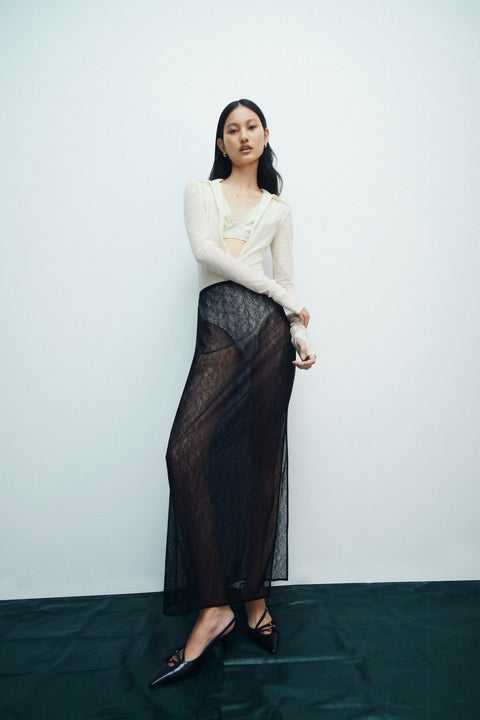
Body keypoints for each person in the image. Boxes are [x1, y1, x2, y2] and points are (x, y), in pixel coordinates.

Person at [149, 99, 316, 688]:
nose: (243, 136)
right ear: (221, 143)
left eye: (251, 127)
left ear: (265, 135)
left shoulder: (278, 209)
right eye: (232, 130)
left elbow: (288, 280)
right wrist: (283, 295)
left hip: (269, 336)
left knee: (261, 464)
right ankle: (215, 603)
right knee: (184, 454)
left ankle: (254, 595)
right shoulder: (202, 192)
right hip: (221, 324)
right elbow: (207, 253)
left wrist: (299, 332)